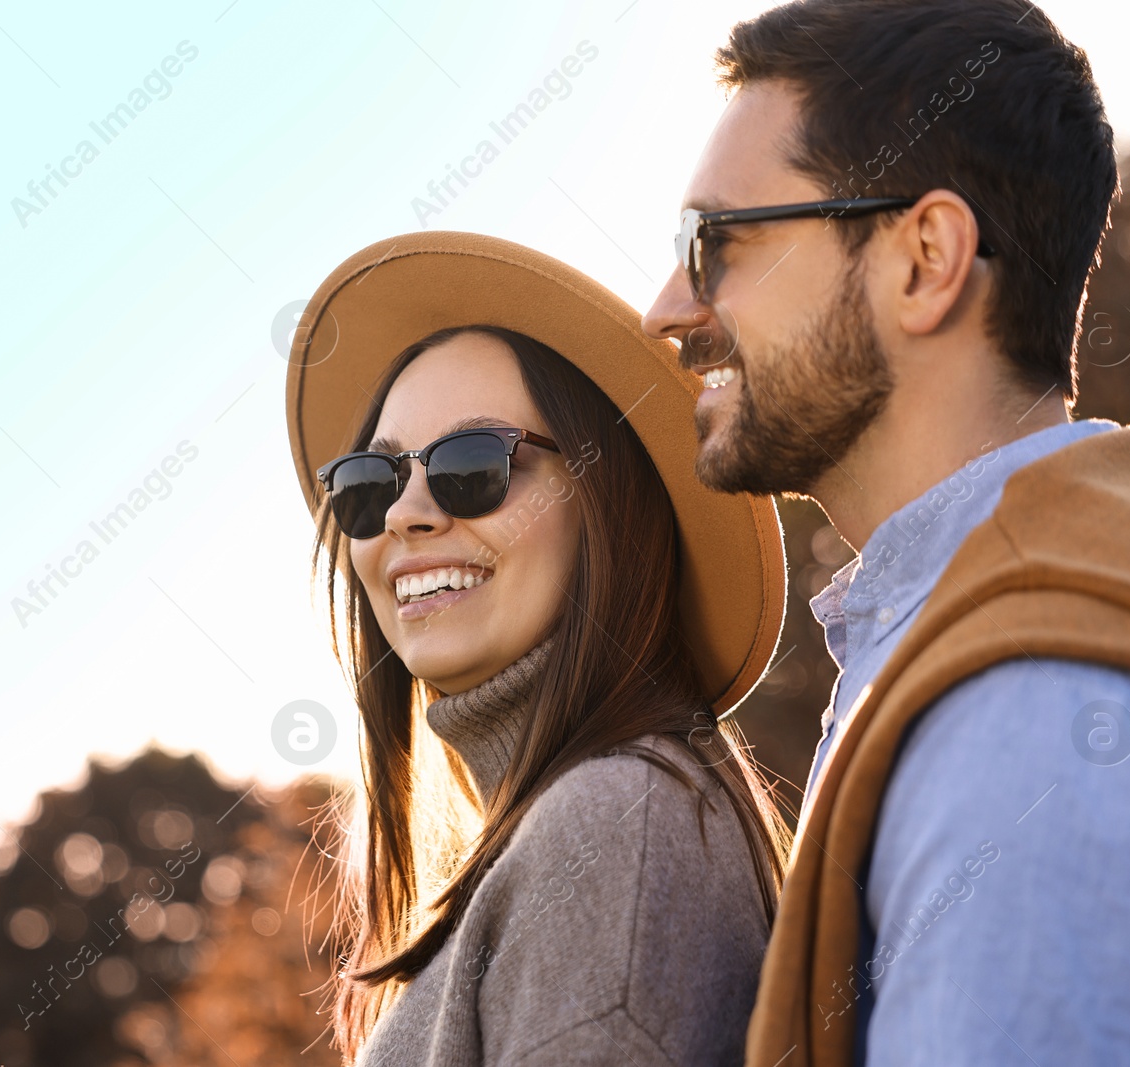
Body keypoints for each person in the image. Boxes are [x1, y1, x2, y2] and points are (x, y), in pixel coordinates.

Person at [641, 1, 1130, 1064]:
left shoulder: (1034, 724)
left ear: (924, 258)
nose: (665, 307)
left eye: (713, 243)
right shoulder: (990, 650)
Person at [283, 232, 793, 1065]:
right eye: (370, 484)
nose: (407, 513)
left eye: (474, 465)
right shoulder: (574, 828)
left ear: (608, 501)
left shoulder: (614, 825)